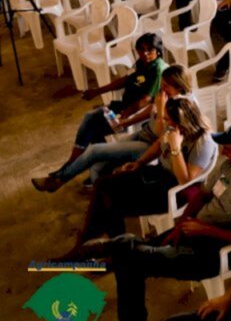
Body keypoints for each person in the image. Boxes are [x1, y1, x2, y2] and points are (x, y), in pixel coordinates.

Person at [84, 122, 231, 321]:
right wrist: (181, 224)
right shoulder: (229, 166)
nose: (223, 152)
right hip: (195, 230)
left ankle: (113, 253)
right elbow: (203, 195)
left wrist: (206, 230)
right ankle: (131, 318)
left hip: (217, 251)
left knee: (131, 258)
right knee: (129, 258)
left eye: (228, 148)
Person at [67, 98, 216, 255]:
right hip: (156, 175)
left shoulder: (203, 142)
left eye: (168, 120)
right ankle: (91, 242)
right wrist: (140, 162)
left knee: (112, 202)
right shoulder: (172, 128)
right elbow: (159, 144)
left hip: (172, 190)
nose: (164, 122)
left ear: (182, 123)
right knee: (103, 184)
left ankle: (100, 249)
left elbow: (184, 180)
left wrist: (175, 148)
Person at [31, 35, 170, 192]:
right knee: (91, 120)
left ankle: (61, 177)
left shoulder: (159, 73)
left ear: (158, 51)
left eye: (149, 50)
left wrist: (125, 116)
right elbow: (125, 80)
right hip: (132, 118)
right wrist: (98, 91)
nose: (144, 53)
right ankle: (73, 167)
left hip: (136, 119)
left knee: (94, 146)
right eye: (141, 49)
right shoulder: (143, 64)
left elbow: (146, 103)